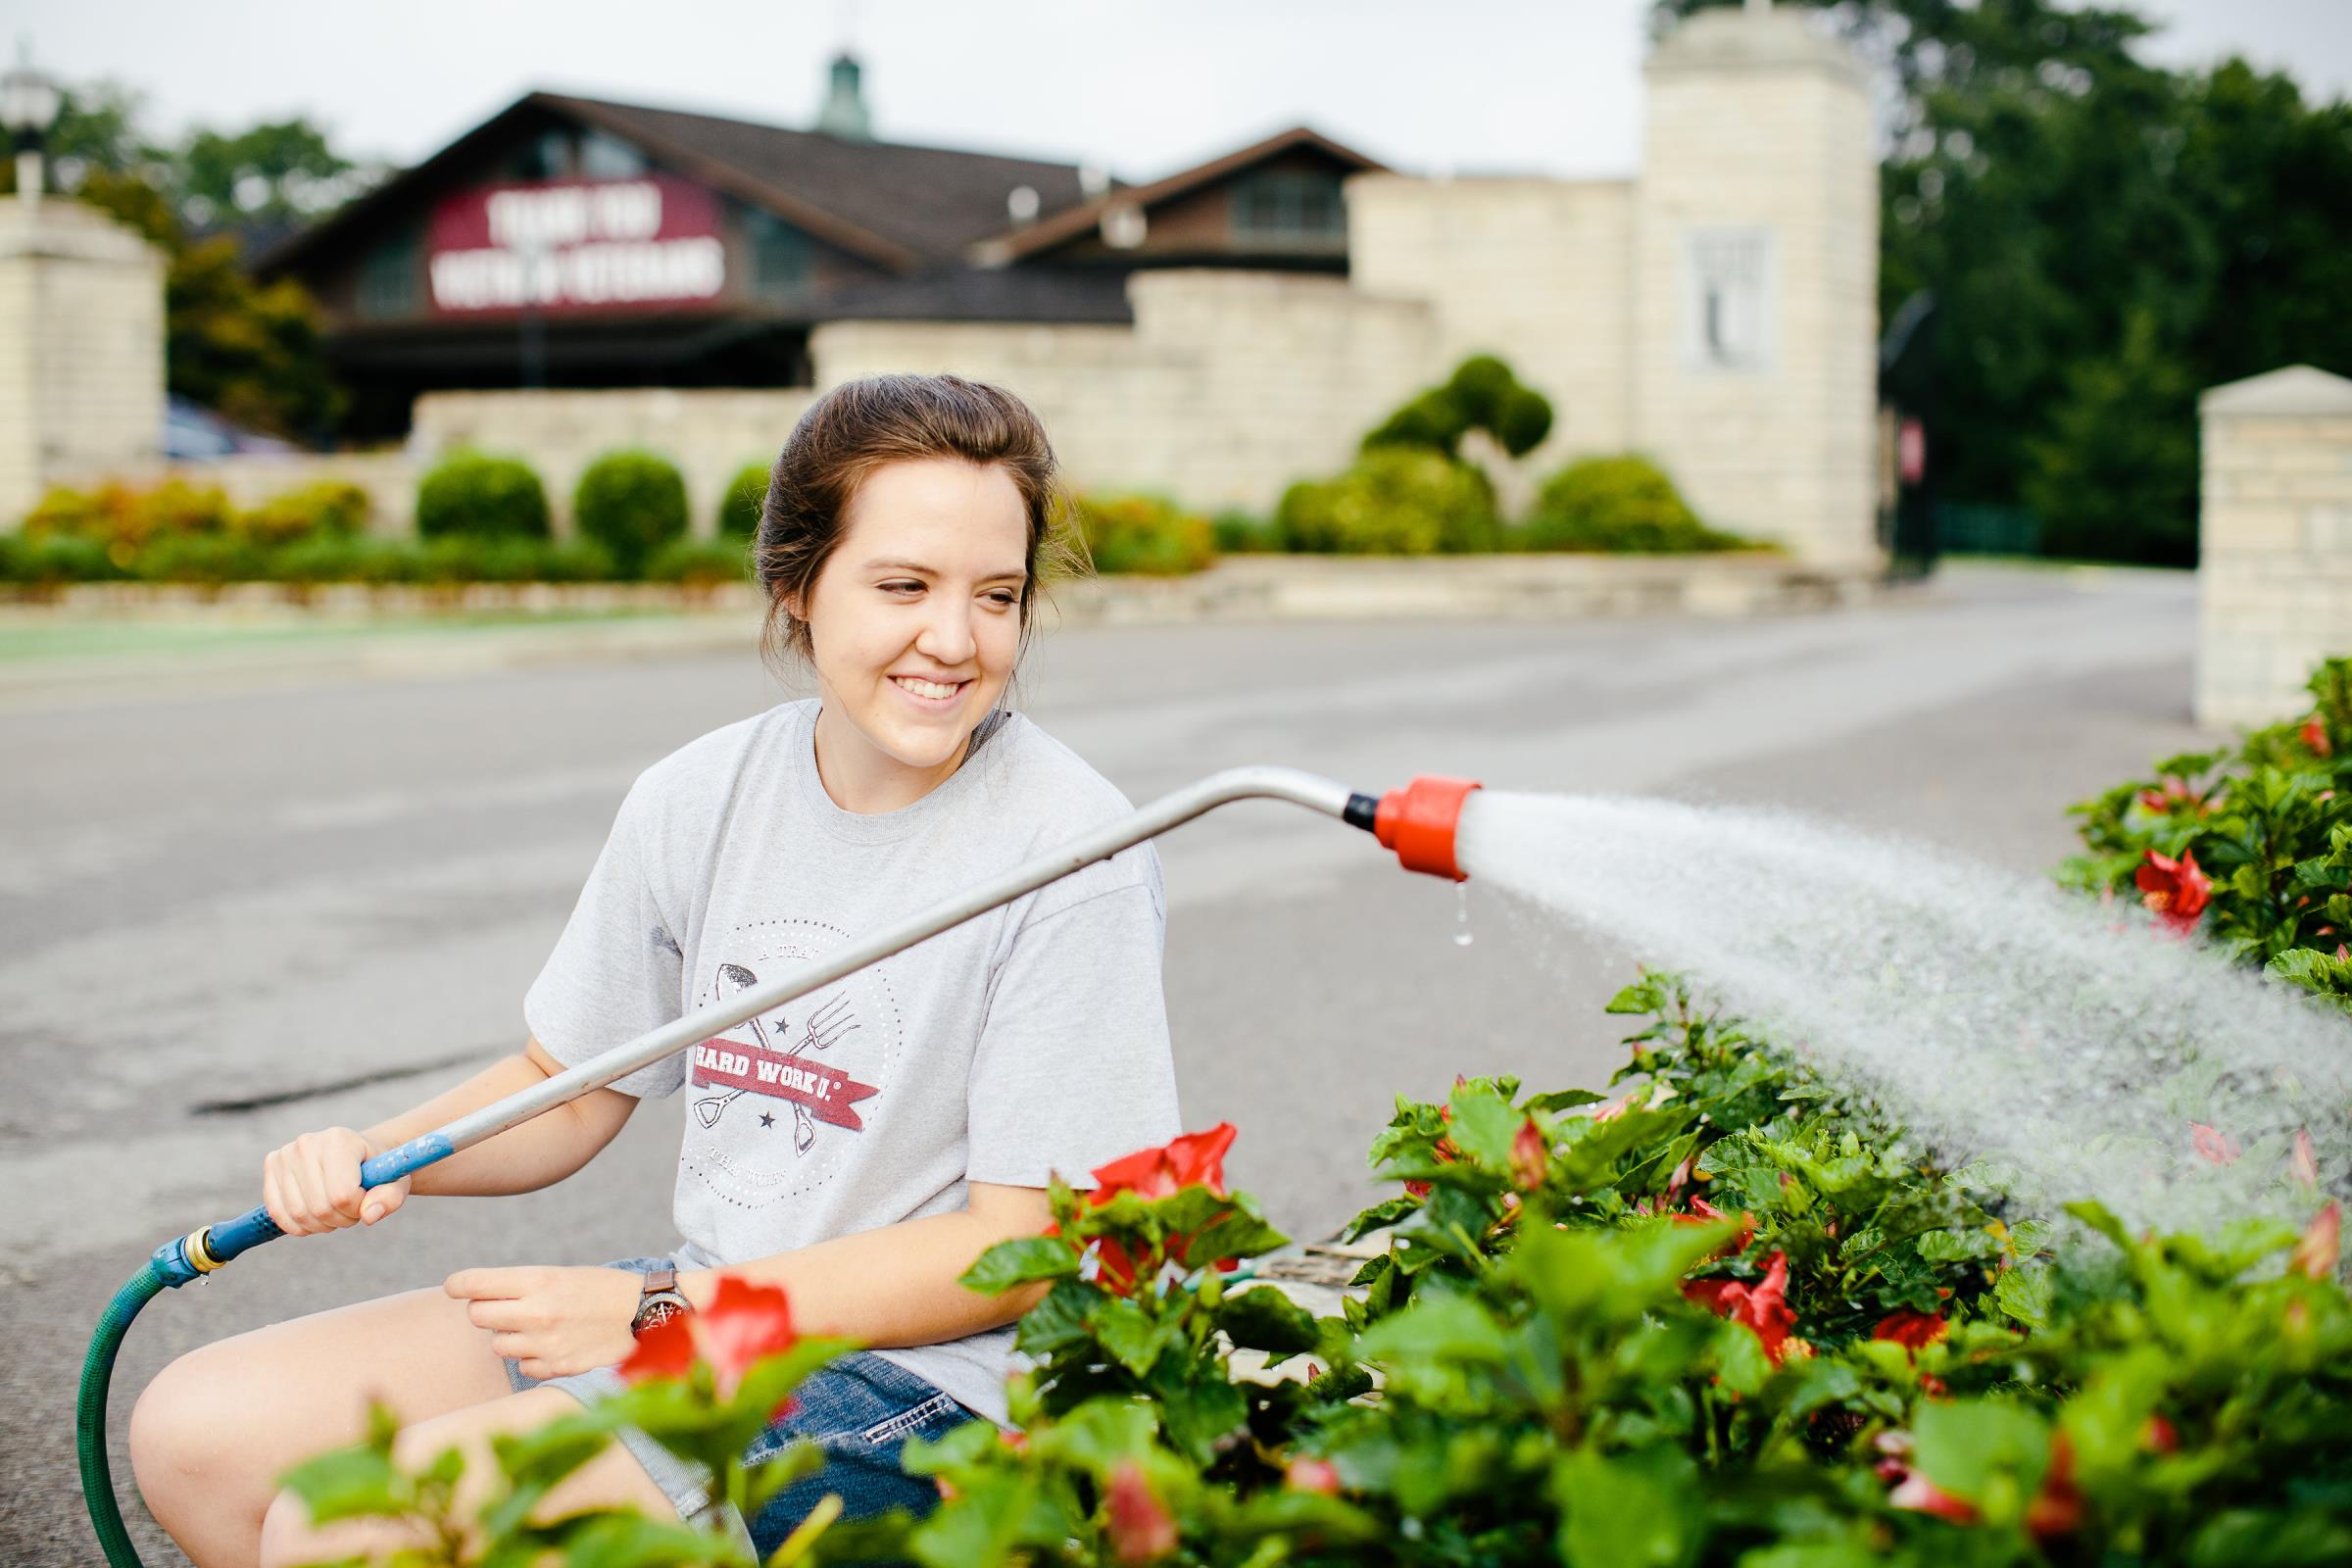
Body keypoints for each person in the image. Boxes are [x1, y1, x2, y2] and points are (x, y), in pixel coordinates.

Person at [127, 373, 1183, 1566]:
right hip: (708, 1305)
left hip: (936, 1389)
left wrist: (659, 1313)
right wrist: (380, 1156)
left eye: (997, 595)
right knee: (195, 1432)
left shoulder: (1071, 848)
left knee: (353, 1521)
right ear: (797, 583)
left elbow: (1019, 1251)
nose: (955, 639)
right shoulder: (702, 794)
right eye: (904, 586)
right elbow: (568, 1082)